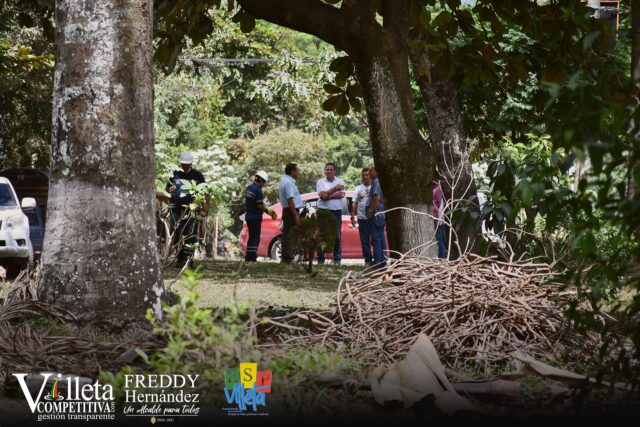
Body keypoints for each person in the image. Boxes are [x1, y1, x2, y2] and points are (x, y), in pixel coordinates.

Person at [166, 151, 210, 268]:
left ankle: (189, 261)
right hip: (176, 209)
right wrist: (170, 189)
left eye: (187, 164)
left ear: (191, 163)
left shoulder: (198, 176)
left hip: (192, 210)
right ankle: (180, 259)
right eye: (183, 164)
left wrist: (206, 207)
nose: (184, 166)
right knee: (176, 233)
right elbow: (168, 188)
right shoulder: (175, 173)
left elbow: (206, 192)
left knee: (191, 235)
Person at [316, 162, 346, 265]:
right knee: (322, 235)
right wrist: (335, 189)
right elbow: (322, 197)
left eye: (331, 169)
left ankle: (337, 260)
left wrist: (327, 194)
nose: (329, 171)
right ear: (325, 171)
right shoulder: (320, 181)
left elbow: (341, 194)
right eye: (327, 170)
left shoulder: (340, 181)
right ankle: (321, 259)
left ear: (334, 171)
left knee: (337, 236)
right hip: (323, 211)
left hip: (336, 211)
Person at [244, 171, 277, 262]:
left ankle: (248, 257)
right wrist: (268, 211)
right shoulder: (258, 191)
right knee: (255, 238)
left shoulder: (249, 188)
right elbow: (260, 205)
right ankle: (251, 258)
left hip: (248, 215)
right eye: (264, 183)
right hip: (255, 217)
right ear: (262, 181)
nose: (264, 185)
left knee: (251, 237)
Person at [278, 163, 302, 263]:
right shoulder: (288, 182)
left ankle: (286, 257)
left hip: (288, 210)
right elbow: (290, 200)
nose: (298, 173)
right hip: (290, 210)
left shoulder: (284, 181)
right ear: (292, 171)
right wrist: (296, 215)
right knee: (288, 234)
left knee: (288, 233)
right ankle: (287, 257)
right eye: (297, 171)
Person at [365, 165, 387, 268]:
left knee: (376, 239)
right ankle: (382, 260)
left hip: (376, 215)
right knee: (380, 238)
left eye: (371, 171)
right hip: (380, 215)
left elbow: (377, 197)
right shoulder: (376, 182)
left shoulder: (376, 182)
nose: (369, 173)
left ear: (377, 172)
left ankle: (378, 262)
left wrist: (370, 210)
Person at [351, 168, 373, 266]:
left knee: (375, 239)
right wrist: (352, 216)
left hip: (373, 218)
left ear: (370, 175)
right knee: (364, 240)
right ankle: (367, 260)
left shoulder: (375, 187)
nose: (365, 177)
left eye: (367, 175)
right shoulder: (358, 188)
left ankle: (378, 259)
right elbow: (354, 203)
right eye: (363, 175)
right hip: (362, 218)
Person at [433, 173, 447, 259]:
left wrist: (440, 221)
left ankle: (443, 258)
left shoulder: (438, 189)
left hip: (438, 219)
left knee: (440, 240)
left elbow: (441, 205)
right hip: (437, 218)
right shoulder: (436, 188)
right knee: (440, 239)